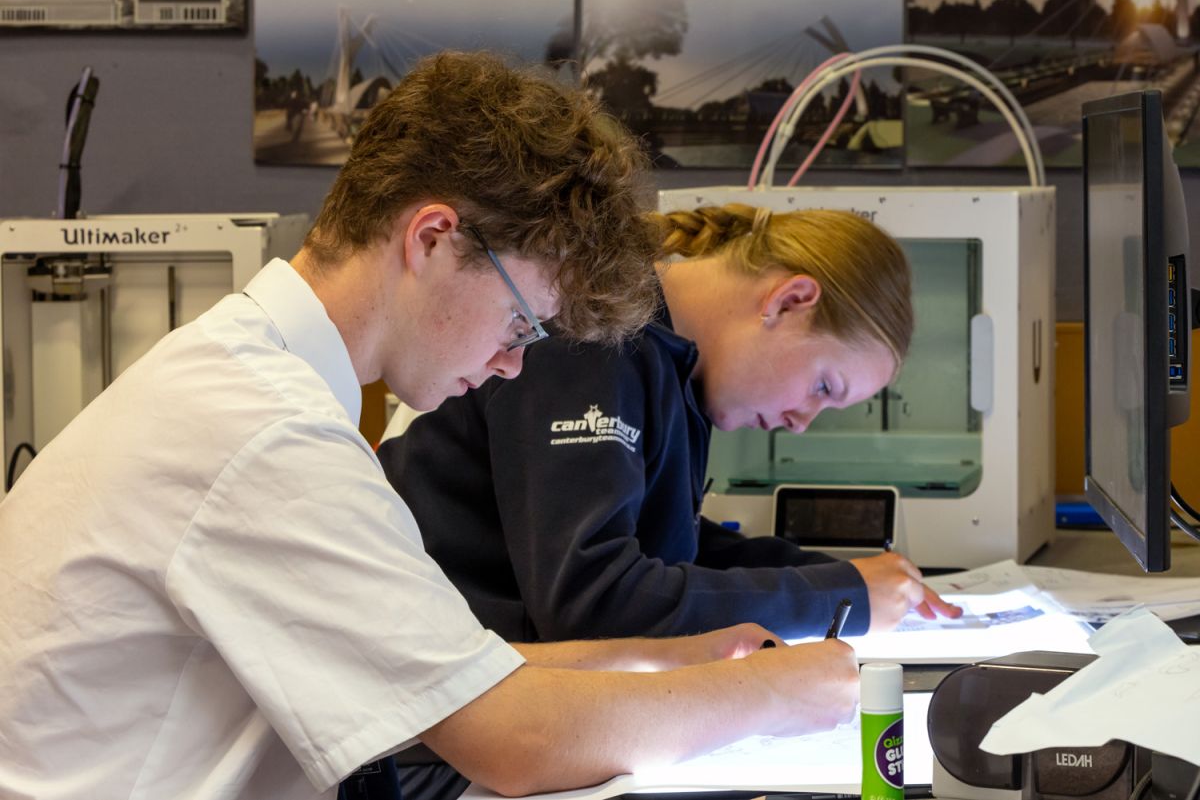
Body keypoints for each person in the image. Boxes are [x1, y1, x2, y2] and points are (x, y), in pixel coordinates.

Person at [0, 52, 860, 800]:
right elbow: (512, 738)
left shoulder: (250, 380)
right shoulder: (267, 432)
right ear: (434, 239)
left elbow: (464, 670)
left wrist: (682, 662)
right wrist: (783, 696)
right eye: (522, 322)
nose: (516, 363)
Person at [379, 202, 963, 648]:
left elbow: (664, 550)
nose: (802, 423)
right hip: (439, 737)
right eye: (822, 388)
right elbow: (594, 600)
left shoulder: (669, 366)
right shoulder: (593, 336)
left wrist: (837, 575)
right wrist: (841, 597)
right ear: (789, 301)